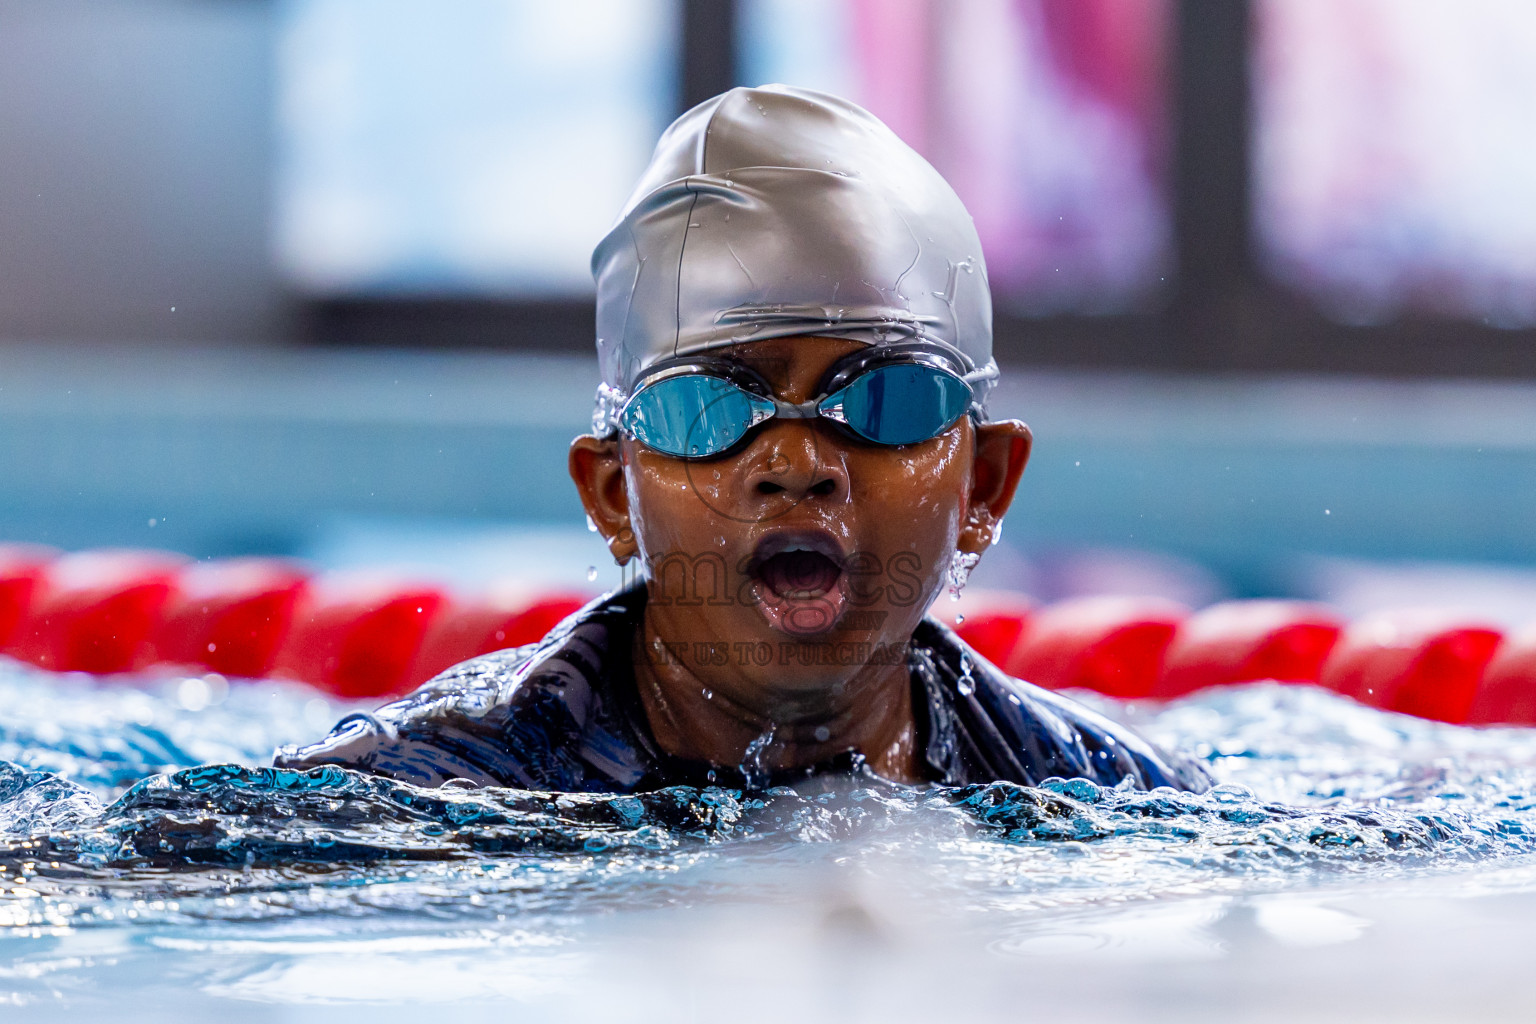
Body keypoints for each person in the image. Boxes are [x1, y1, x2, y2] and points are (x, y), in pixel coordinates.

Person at [275, 86, 1209, 794]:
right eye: (709, 409)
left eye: (884, 400)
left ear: (985, 486)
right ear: (613, 494)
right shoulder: (417, 793)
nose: (798, 465)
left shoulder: (1103, 794)